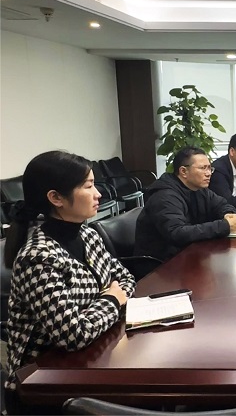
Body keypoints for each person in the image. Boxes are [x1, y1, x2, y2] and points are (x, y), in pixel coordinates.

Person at [2, 151, 135, 402]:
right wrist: (112, 300)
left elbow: (126, 280)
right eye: (88, 186)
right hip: (45, 383)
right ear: (56, 198)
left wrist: (106, 303)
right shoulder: (38, 257)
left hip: (94, 353)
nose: (99, 194)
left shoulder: (88, 235)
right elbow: (73, 335)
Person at [134, 147, 236, 261]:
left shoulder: (198, 189)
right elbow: (177, 233)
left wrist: (228, 214)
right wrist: (224, 226)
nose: (208, 173)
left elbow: (222, 204)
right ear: (183, 171)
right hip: (162, 263)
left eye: (209, 168)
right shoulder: (164, 196)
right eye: (203, 168)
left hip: (187, 254)